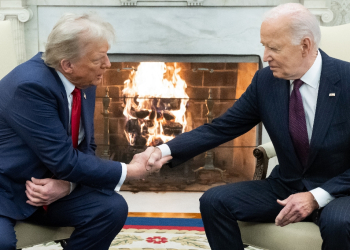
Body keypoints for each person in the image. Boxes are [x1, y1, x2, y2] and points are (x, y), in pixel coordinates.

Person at [148, 3, 350, 250]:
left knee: (339, 222)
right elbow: (221, 128)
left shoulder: (347, 80)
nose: (265, 56)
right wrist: (164, 151)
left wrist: (315, 197)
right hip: (287, 185)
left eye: (274, 48)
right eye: (264, 45)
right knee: (214, 201)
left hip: (340, 190)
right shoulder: (266, 81)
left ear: (305, 46)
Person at [0, 13, 170, 250]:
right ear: (67, 64)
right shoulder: (30, 86)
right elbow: (64, 159)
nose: (108, 64)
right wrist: (131, 171)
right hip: (7, 188)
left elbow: (84, 146)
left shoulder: (82, 81)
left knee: (111, 209)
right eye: (98, 59)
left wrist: (68, 186)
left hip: (49, 186)